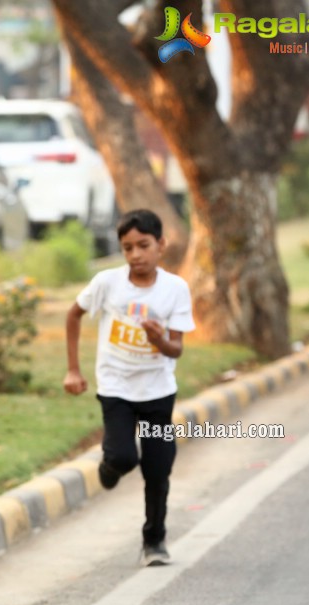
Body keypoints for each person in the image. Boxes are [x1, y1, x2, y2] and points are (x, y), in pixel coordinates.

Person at [63, 209, 195, 567]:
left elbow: (177, 349)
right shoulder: (108, 283)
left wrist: (159, 340)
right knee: (123, 457)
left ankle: (154, 541)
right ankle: (109, 469)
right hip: (116, 387)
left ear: (161, 245)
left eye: (143, 245)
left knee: (158, 467)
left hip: (157, 391)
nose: (136, 254)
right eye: (127, 248)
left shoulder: (175, 289)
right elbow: (73, 314)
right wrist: (73, 370)